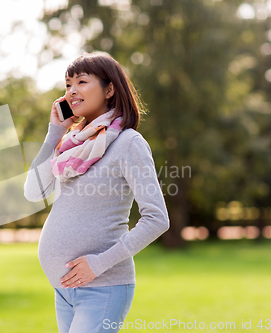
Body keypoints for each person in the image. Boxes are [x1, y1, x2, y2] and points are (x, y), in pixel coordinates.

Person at [24, 51, 170, 333]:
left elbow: (157, 219)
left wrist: (98, 264)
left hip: (103, 287)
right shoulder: (71, 145)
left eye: (81, 81)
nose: (71, 91)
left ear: (109, 89)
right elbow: (33, 192)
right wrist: (55, 132)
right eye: (67, 85)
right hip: (65, 291)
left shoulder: (129, 143)